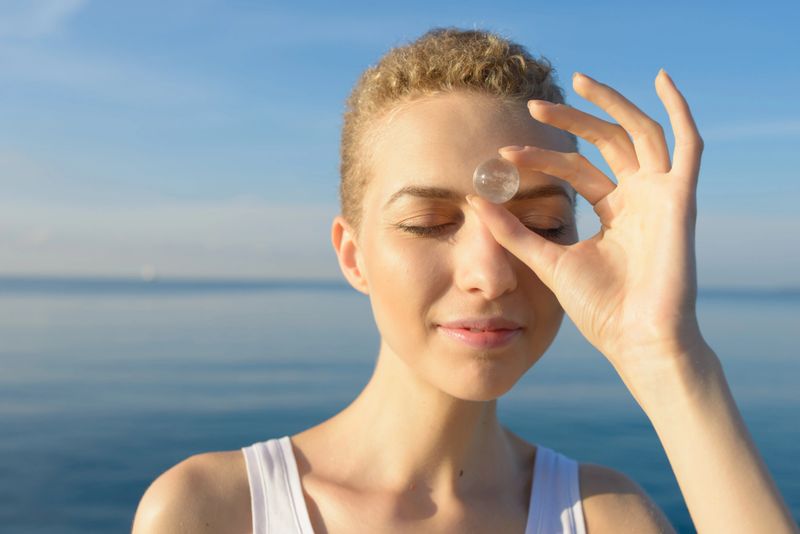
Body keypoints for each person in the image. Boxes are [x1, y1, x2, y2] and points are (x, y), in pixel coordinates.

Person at [131, 27, 798, 533]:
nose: (491, 273)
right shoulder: (215, 510)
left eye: (539, 223)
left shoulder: (608, 516)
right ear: (352, 254)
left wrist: (667, 355)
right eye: (428, 221)